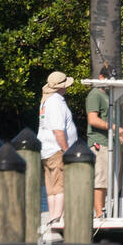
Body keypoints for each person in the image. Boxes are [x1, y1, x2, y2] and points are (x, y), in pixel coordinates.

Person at [86, 66, 123, 220]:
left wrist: (119, 137)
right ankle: (99, 214)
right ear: (101, 77)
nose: (112, 83)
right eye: (110, 80)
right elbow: (93, 120)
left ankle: (106, 210)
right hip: (99, 143)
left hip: (112, 143)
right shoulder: (95, 94)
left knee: (112, 180)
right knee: (101, 180)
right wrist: (115, 127)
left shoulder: (110, 94)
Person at [37, 71, 78, 225]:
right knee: (60, 185)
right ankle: (57, 217)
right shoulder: (56, 102)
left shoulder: (46, 101)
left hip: (47, 149)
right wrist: (66, 150)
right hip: (56, 150)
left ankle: (53, 217)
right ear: (61, 86)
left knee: (51, 185)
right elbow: (58, 130)